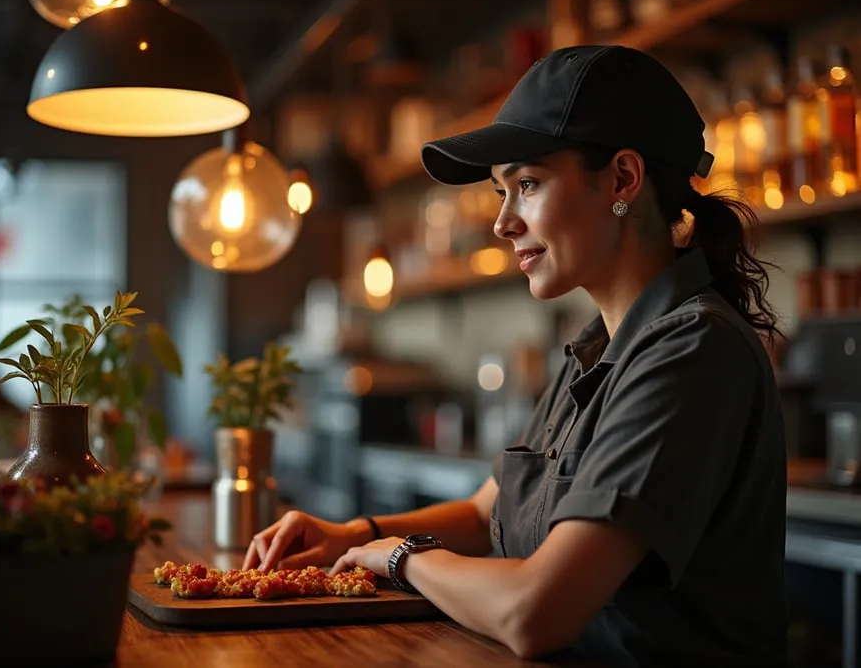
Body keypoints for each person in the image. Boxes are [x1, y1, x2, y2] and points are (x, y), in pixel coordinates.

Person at [243, 45, 787, 668]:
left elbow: (535, 613)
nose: (502, 223)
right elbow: (487, 511)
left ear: (622, 179)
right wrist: (355, 533)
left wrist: (400, 558)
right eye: (502, 191)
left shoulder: (690, 350)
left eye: (526, 185)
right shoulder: (598, 349)